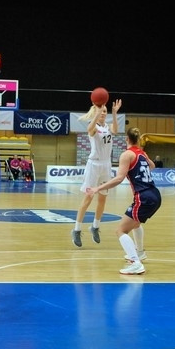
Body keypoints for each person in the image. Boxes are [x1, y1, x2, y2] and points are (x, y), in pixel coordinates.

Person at [86, 127, 161, 275]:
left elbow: (119, 178)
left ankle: (136, 262)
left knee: (120, 230)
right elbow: (152, 166)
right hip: (155, 194)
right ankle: (140, 253)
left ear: (127, 139)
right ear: (138, 140)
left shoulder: (127, 155)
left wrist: (97, 188)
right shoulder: (142, 153)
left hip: (143, 196)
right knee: (135, 223)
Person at [72, 97, 121, 247]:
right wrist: (97, 112)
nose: (103, 113)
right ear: (95, 113)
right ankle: (76, 229)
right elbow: (89, 129)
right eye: (101, 111)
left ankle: (95, 226)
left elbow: (115, 130)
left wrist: (114, 113)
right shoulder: (93, 126)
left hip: (106, 165)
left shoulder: (108, 127)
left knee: (102, 199)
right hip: (93, 165)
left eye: (105, 111)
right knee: (88, 198)